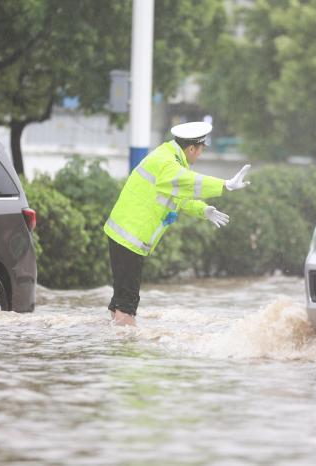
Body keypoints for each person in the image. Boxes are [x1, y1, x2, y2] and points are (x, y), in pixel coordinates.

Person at [103, 121, 251, 326]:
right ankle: (127, 352)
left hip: (124, 235)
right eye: (200, 150)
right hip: (130, 237)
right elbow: (190, 182)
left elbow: (179, 196)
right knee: (127, 303)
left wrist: (203, 210)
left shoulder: (167, 156)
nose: (199, 155)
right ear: (191, 148)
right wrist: (224, 185)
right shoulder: (167, 164)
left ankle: (109, 346)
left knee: (120, 299)